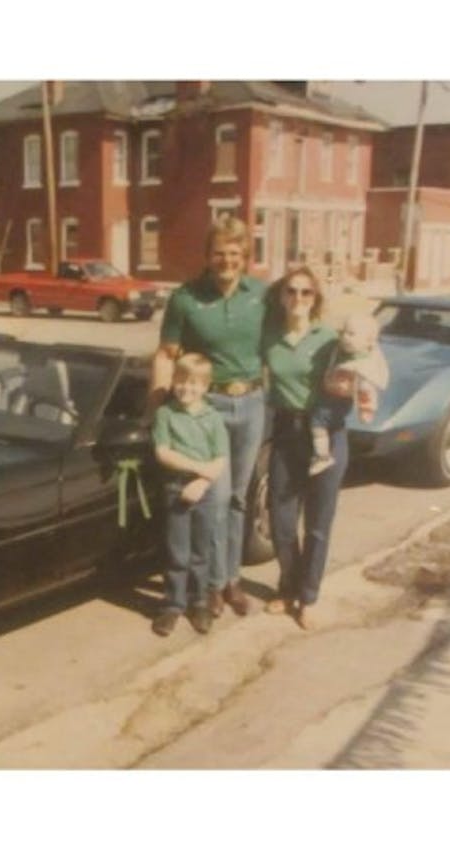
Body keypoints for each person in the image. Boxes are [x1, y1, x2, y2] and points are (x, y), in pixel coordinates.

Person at [150, 217, 276, 619]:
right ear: (208, 255)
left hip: (253, 402)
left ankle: (230, 580)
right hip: (210, 408)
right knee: (216, 496)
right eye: (219, 252)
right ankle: (209, 587)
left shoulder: (262, 295)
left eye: (235, 253)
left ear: (245, 258)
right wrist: (155, 409)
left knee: (239, 497)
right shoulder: (186, 297)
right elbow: (167, 354)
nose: (227, 260)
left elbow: (292, 333)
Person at [261, 265, 355, 629]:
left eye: (306, 292)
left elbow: (357, 373)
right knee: (281, 519)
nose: (298, 298)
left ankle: (309, 595)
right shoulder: (269, 336)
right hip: (286, 431)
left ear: (315, 298)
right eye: (291, 291)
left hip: (327, 434)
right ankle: (287, 587)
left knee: (318, 522)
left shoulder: (330, 340)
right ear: (281, 296)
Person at [150, 352, 229, 636]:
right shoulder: (166, 414)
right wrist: (199, 469)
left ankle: (199, 603)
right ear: (173, 382)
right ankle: (172, 604)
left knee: (200, 551)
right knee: (177, 551)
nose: (187, 388)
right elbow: (163, 452)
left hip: (204, 491)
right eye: (181, 381)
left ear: (206, 386)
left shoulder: (213, 418)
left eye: (194, 383)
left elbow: (221, 458)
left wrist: (203, 481)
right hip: (175, 488)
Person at [307, 311, 389, 476]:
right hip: (333, 395)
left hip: (337, 400)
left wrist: (365, 409)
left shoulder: (365, 362)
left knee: (317, 423)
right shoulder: (341, 351)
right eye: (343, 332)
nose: (345, 337)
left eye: (351, 334)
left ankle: (322, 456)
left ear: (369, 341)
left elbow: (367, 388)